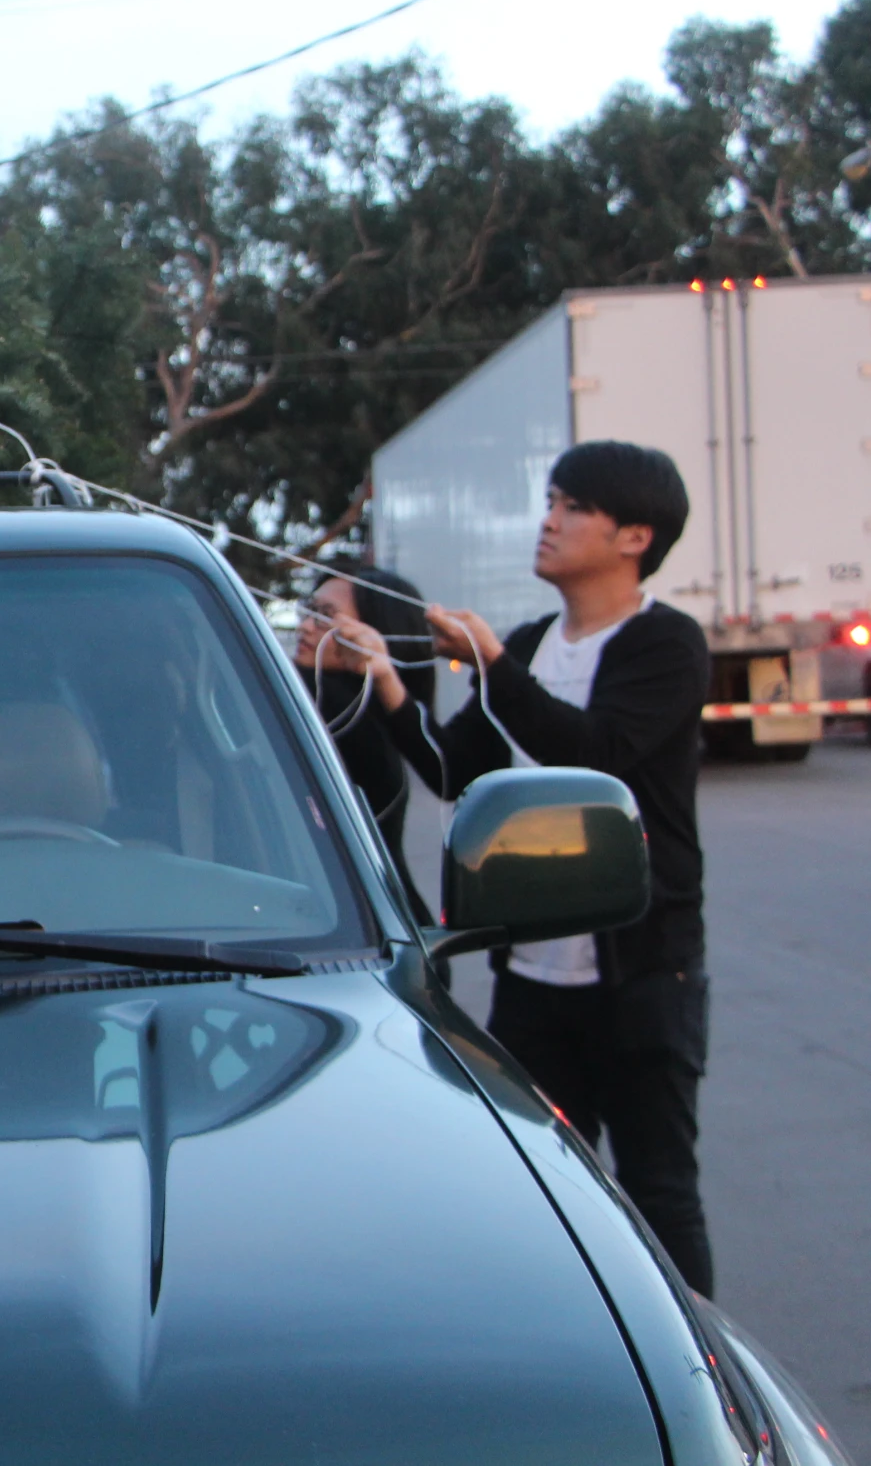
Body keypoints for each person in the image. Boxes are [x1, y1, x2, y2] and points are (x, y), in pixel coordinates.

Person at [327, 440, 713, 1296]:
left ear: (634, 537)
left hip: (642, 975)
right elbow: (452, 773)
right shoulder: (537, 643)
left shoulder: (667, 644)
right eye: (552, 500)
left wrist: (494, 665)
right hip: (535, 978)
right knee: (551, 1191)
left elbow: (597, 754)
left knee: (658, 1190)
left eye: (574, 507)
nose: (550, 520)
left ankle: (701, 1382)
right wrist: (386, 678)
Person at [293, 562, 432, 913]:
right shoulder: (330, 706)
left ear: (375, 632)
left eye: (325, 616)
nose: (306, 627)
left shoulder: (349, 714)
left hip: (368, 925)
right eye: (308, 611)